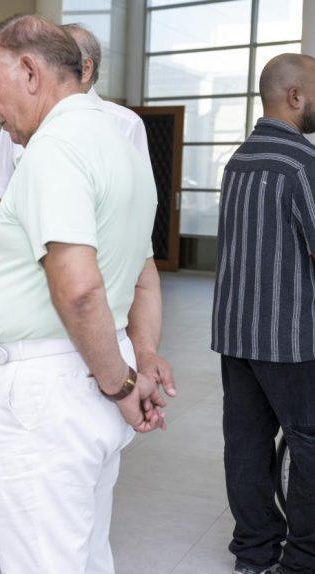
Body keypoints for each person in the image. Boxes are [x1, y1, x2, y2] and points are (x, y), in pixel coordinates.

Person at [0, 14, 175, 573]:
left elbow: (80, 289)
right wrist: (135, 364)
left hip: (50, 385)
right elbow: (143, 273)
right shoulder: (124, 149)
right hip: (91, 369)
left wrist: (122, 382)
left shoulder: (55, 147)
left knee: (43, 560)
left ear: (31, 72)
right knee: (82, 553)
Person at [212, 53, 315, 574]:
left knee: (248, 443)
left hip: (237, 333)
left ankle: (254, 552)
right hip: (293, 338)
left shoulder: (238, 160)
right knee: (310, 443)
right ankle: (304, 559)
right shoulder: (301, 164)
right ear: (294, 97)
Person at [0, 23, 150, 225]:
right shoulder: (18, 122)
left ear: (85, 69)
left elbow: (138, 211)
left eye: (57, 64)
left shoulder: (125, 125)